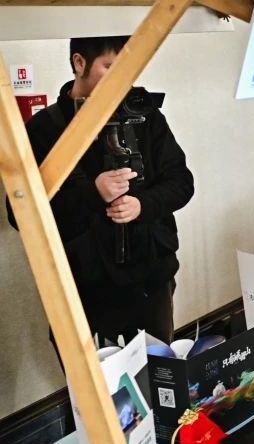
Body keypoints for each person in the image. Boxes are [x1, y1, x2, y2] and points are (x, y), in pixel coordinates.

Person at [8, 36, 193, 345]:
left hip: (151, 280)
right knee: (92, 375)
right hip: (81, 287)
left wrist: (142, 204)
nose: (123, 79)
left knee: (159, 369)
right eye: (111, 67)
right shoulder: (44, 129)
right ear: (79, 63)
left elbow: (181, 183)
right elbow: (20, 215)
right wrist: (93, 195)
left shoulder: (145, 116)